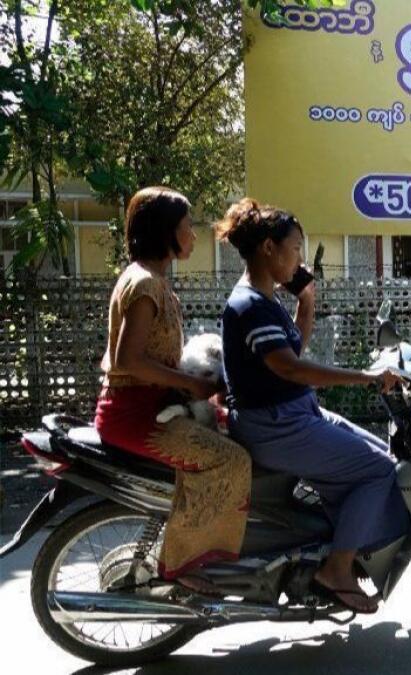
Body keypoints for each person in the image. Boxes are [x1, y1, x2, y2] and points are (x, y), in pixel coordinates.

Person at [216, 198, 407, 614]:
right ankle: (336, 569)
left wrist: (307, 299)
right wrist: (368, 378)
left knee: (381, 455)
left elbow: (293, 351)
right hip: (276, 425)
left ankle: (338, 545)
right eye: (297, 248)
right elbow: (292, 368)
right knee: (376, 471)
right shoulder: (250, 305)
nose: (301, 257)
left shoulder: (264, 301)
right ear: (269, 248)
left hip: (295, 413)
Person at [93, 186, 250, 595]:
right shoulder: (145, 284)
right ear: (166, 232)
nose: (194, 236)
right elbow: (127, 360)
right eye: (186, 227)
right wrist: (192, 384)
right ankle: (181, 564)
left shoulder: (150, 280)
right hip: (136, 415)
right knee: (231, 461)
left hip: (154, 406)